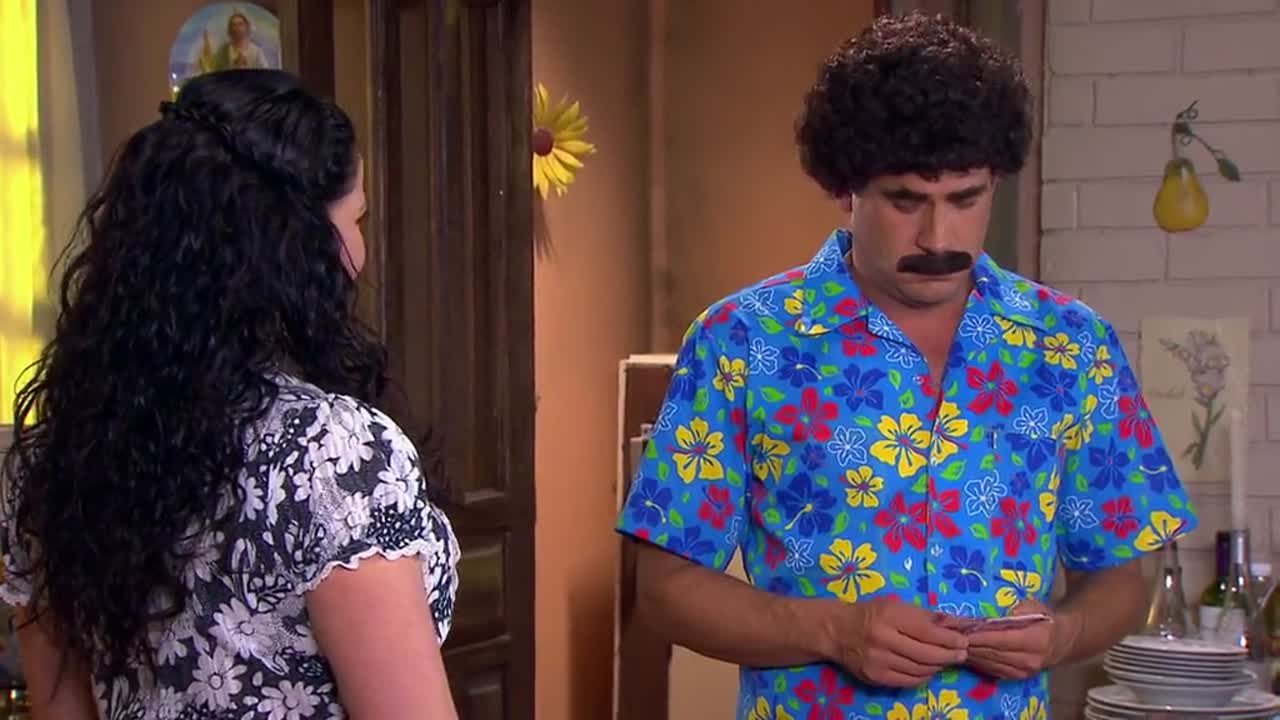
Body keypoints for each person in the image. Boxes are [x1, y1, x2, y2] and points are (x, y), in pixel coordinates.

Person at [617, 12, 1198, 720]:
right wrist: (834, 631)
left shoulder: (1072, 347)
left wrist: (1063, 636)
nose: (937, 236)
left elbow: (1121, 571)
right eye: (905, 201)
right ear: (847, 189)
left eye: (965, 199)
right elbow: (665, 589)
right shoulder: (741, 341)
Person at [0, 69, 461, 719]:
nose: (361, 250)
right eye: (355, 219)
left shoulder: (53, 460)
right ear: (299, 247)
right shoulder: (332, 457)